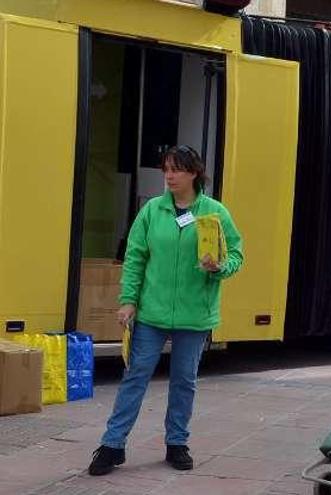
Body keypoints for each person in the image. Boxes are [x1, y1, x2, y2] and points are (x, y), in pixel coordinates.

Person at [88, 145, 243, 476]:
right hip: (151, 313)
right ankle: (112, 445)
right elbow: (135, 258)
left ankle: (177, 443)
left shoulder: (214, 213)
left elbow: (236, 256)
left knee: (184, 381)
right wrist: (128, 301)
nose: (169, 176)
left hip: (195, 314)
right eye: (166, 169)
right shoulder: (151, 211)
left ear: (194, 173)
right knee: (135, 378)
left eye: (177, 170)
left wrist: (218, 267)